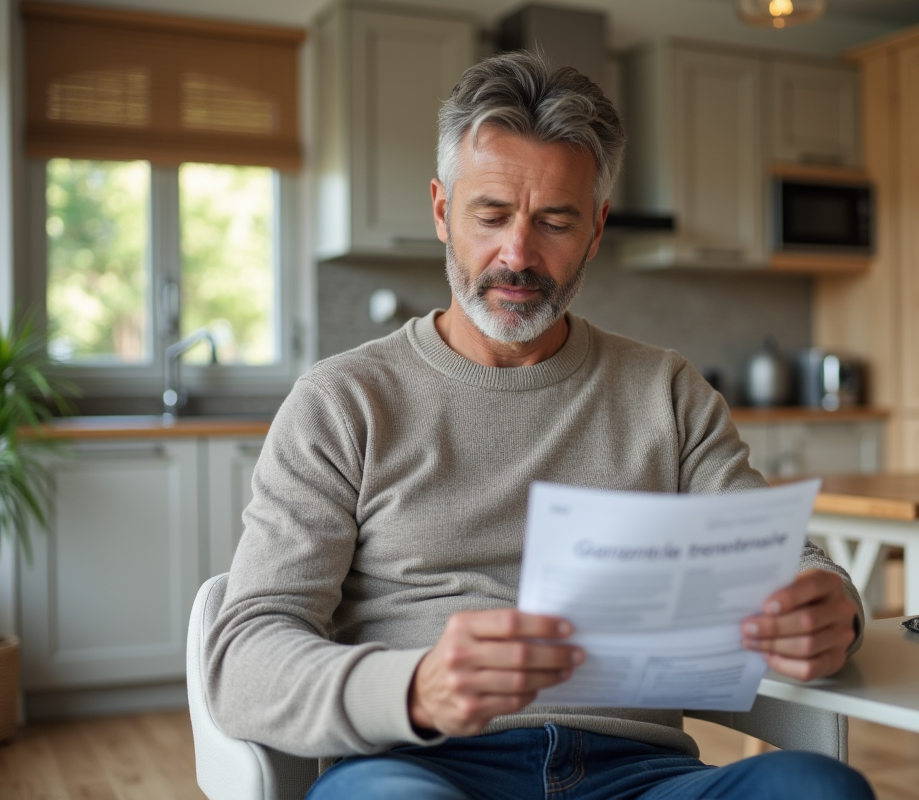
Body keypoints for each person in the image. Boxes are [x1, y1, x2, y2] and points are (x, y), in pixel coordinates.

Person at [207, 50, 875, 800]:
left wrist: (828, 605)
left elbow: (782, 562)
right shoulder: (343, 401)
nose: (518, 255)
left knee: (817, 788)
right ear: (441, 211)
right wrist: (416, 688)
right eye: (490, 215)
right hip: (419, 766)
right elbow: (243, 656)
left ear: (596, 229)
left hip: (638, 774)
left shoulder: (667, 392)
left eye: (555, 221)